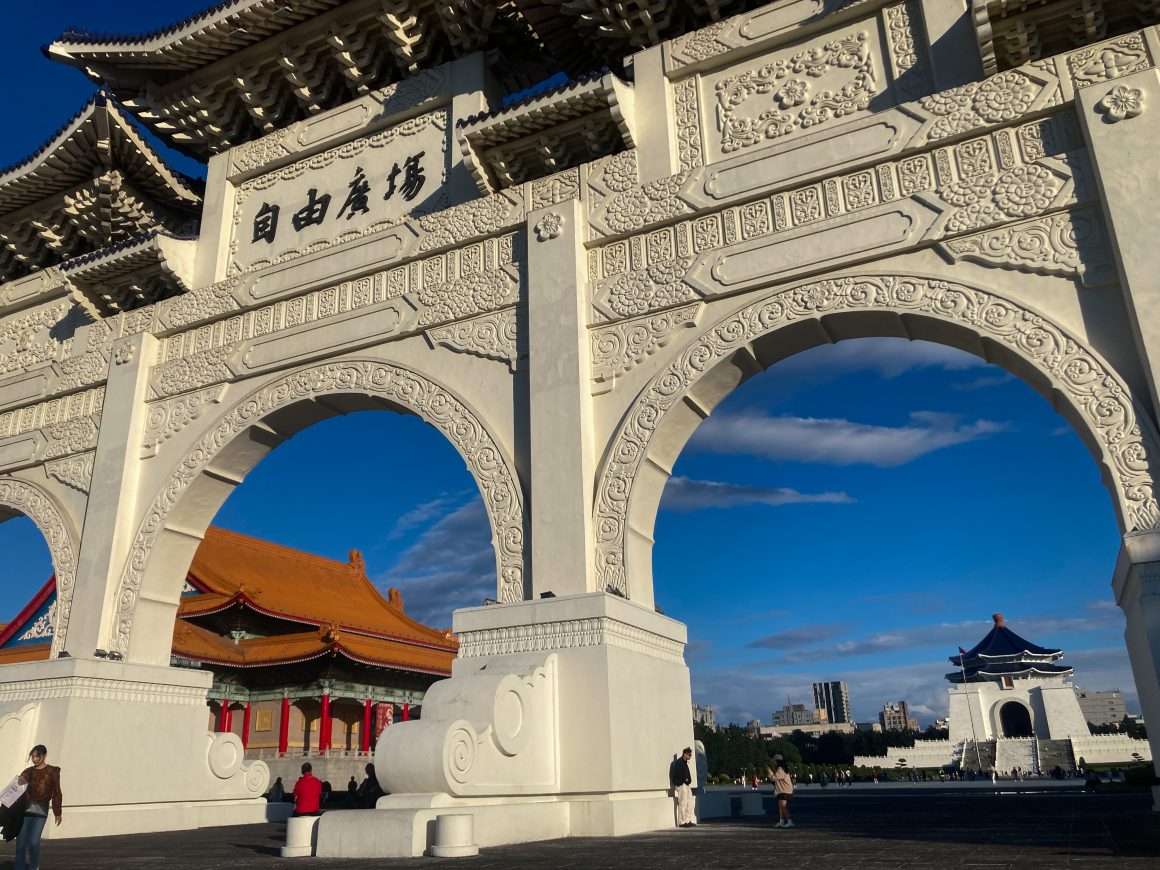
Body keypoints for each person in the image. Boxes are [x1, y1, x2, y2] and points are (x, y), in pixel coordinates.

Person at [14, 744, 62, 870]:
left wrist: (57, 812)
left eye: (37, 756)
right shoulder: (28, 772)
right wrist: (21, 783)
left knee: (34, 842)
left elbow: (57, 791)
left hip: (41, 811)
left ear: (44, 756)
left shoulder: (53, 771)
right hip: (25, 811)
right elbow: (18, 789)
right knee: (21, 844)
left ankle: (34, 867)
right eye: (33, 756)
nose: (34, 759)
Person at [668, 747, 695, 828]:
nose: (690, 756)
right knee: (683, 802)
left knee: (689, 802)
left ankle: (688, 820)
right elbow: (679, 775)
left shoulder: (684, 762)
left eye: (691, 754)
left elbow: (687, 774)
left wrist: (688, 780)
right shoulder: (679, 762)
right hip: (681, 784)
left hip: (685, 784)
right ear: (685, 754)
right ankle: (681, 821)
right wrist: (685, 780)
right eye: (689, 755)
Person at [773, 760, 794, 828]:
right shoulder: (782, 768)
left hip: (784, 790)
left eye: (775, 761)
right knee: (780, 806)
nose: (774, 762)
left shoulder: (780, 769)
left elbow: (774, 778)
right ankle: (781, 821)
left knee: (784, 806)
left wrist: (769, 771)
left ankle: (790, 821)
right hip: (782, 789)